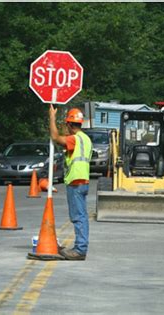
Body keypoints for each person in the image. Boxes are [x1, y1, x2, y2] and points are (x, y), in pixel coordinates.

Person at [49, 106, 92, 260]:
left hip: (76, 181)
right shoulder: (86, 139)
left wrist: (52, 118)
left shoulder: (75, 139)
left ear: (69, 124)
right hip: (83, 181)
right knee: (81, 216)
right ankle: (80, 247)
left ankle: (80, 249)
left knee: (78, 216)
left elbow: (55, 137)